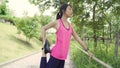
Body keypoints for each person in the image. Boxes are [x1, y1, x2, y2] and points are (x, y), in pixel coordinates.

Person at [40, 3, 93, 68]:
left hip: (63, 58)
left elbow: (78, 39)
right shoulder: (57, 22)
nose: (71, 11)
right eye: (69, 9)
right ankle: (43, 53)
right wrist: (44, 42)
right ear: (63, 11)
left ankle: (44, 54)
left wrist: (88, 51)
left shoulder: (70, 26)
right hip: (55, 55)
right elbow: (43, 28)